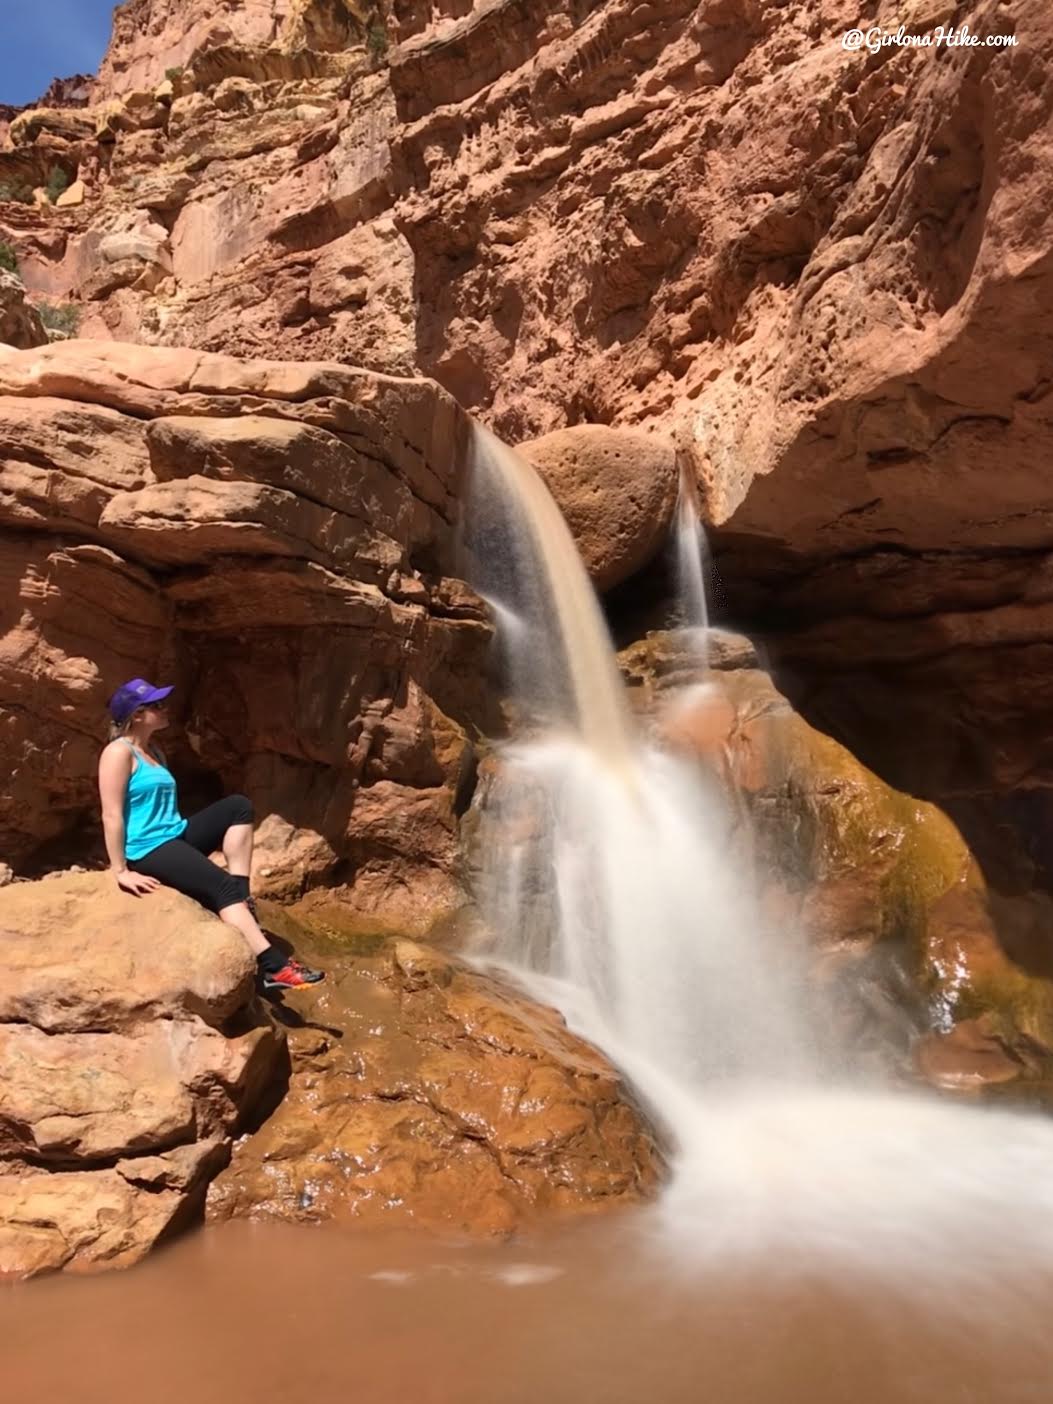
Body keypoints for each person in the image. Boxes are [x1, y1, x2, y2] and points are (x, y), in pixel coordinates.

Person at [97, 677, 324, 991]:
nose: (165, 709)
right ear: (137, 715)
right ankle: (274, 968)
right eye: (157, 705)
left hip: (174, 834)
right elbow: (111, 813)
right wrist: (120, 870)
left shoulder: (155, 752)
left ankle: (241, 894)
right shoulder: (117, 753)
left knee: (238, 806)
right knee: (220, 887)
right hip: (147, 848)